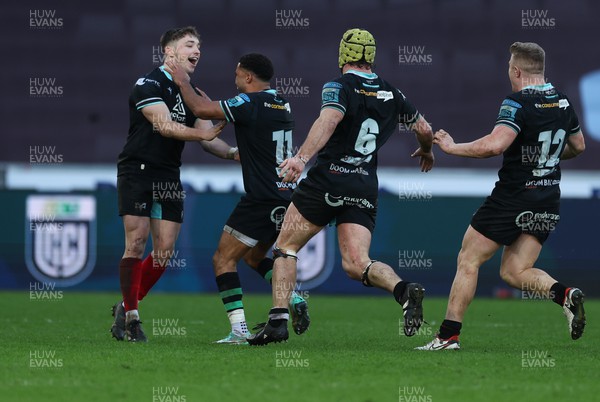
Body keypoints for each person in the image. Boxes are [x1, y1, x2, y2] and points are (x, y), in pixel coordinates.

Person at [247, 28, 435, 345]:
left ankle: (278, 323)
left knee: (285, 248)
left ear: (343, 55)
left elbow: (328, 120)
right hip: (363, 185)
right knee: (357, 263)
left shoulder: (338, 86)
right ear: (371, 56)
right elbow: (425, 128)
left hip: (328, 180)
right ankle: (404, 290)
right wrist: (427, 149)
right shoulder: (393, 93)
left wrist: (301, 158)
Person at [417, 42, 586, 351]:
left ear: (516, 70)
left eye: (509, 68)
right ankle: (565, 294)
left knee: (469, 259)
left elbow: (494, 145)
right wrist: (545, 162)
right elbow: (578, 146)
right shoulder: (562, 102)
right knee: (514, 271)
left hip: (513, 197)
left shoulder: (516, 102)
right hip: (547, 198)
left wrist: (452, 147)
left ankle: (447, 336)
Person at [165, 53, 310, 344]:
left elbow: (201, 109)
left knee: (223, 260)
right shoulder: (281, 101)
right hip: (285, 196)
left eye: (237, 74)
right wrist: (234, 151)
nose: (234, 79)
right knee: (256, 258)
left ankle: (239, 331)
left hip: (261, 198)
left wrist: (182, 82)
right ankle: (292, 298)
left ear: (248, 77)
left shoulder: (249, 102)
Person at [111, 26, 235, 342]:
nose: (197, 51)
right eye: (189, 45)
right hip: (137, 170)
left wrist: (236, 154)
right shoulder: (148, 83)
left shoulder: (190, 92)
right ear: (169, 51)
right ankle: (133, 318)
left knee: (164, 251)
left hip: (168, 175)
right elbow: (164, 125)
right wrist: (202, 134)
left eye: (199, 47)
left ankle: (124, 306)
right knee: (136, 242)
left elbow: (210, 140)